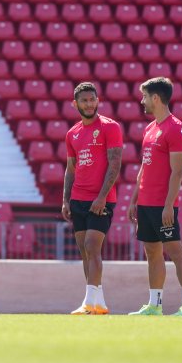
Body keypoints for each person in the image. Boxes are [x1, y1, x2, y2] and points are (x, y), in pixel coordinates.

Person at [128, 77, 182, 317]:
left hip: (162, 204)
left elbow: (178, 171)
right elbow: (144, 167)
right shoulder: (150, 128)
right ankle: (154, 304)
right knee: (152, 253)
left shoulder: (174, 128)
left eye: (145, 96)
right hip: (146, 203)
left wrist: (169, 205)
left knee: (176, 252)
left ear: (155, 98)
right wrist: (134, 199)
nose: (142, 101)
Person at [61, 82, 123, 315]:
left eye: (92, 99)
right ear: (75, 104)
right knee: (84, 252)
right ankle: (99, 302)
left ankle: (88, 302)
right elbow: (70, 168)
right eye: (84, 100)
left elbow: (115, 163)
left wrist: (102, 197)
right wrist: (66, 200)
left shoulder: (110, 127)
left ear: (98, 101)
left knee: (92, 247)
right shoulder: (72, 133)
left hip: (101, 200)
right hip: (78, 198)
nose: (89, 104)